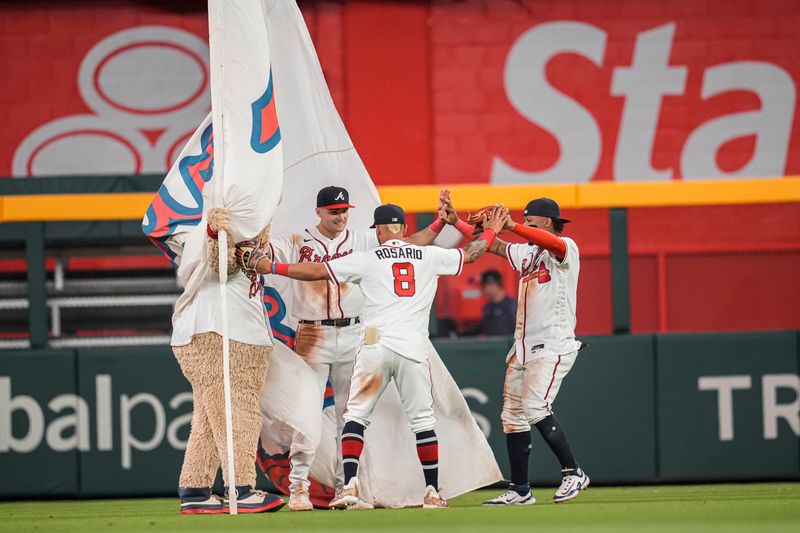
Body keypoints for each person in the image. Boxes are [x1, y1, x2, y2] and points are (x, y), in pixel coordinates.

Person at [237, 203, 509, 509]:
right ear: (403, 230)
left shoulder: (366, 258)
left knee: (354, 418)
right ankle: (432, 491)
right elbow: (472, 253)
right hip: (411, 348)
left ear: (378, 230)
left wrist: (269, 267)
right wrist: (490, 231)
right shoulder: (429, 255)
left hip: (373, 346)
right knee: (422, 421)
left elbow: (315, 271)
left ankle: (350, 485)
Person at [266, 186, 454, 510]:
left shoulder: (365, 241)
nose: (340, 216)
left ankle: (345, 488)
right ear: (319, 212)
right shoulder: (297, 240)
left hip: (355, 332)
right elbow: (262, 251)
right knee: (307, 414)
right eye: (334, 211)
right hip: (314, 333)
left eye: (344, 211)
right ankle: (298, 487)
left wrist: (438, 225)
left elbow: (409, 247)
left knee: (348, 416)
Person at [443, 195, 589, 505]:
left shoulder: (566, 249)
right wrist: (456, 222)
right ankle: (521, 489)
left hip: (552, 345)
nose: (525, 224)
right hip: (523, 348)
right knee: (513, 416)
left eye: (530, 219)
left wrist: (513, 225)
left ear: (547, 222)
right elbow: (493, 245)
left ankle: (573, 471)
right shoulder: (528, 254)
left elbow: (551, 243)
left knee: (535, 407)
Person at [170, 209, 285, 514]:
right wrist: (215, 235)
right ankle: (242, 487)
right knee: (238, 410)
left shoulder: (239, 237)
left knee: (210, 419)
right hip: (220, 332)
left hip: (218, 332)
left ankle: (195, 489)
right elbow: (223, 267)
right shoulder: (207, 234)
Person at [462, 269, 516, 336]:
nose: (483, 289)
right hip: (494, 345)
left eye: (484, 286)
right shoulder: (488, 307)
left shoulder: (512, 306)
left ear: (493, 285)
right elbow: (482, 327)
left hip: (509, 345)